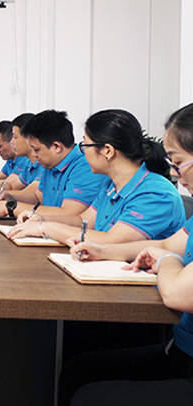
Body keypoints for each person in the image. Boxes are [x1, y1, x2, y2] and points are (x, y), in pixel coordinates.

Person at [60, 103, 193, 406]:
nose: (175, 173)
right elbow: (166, 245)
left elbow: (177, 292)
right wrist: (104, 251)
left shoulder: (155, 190)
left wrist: (168, 261)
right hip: (181, 349)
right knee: (78, 370)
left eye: (178, 162)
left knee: (90, 396)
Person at [6, 109, 185, 244]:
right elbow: (82, 221)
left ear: (107, 151)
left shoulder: (155, 193)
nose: (83, 152)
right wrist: (42, 218)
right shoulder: (112, 185)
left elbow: (111, 241)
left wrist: (46, 227)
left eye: (85, 145)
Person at [0, 110, 106, 220]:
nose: (34, 155)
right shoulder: (50, 163)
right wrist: (10, 198)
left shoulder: (85, 167)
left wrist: (11, 207)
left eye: (36, 150)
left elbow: (69, 213)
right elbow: (37, 197)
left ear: (56, 147)